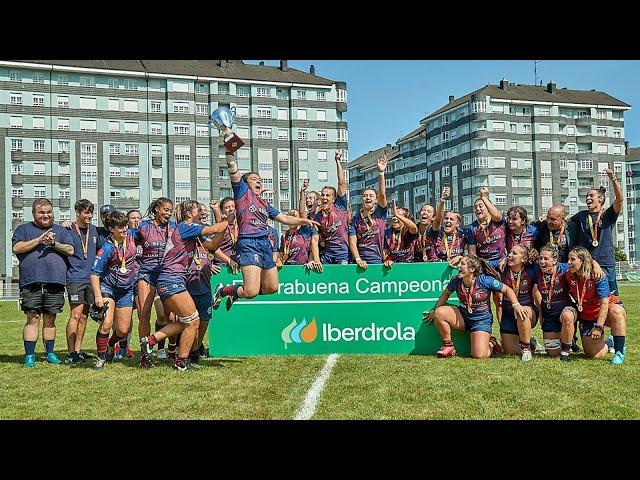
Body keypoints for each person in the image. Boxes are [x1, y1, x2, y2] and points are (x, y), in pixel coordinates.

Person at [213, 145, 321, 312]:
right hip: (249, 243)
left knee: (272, 288)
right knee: (251, 291)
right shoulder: (242, 194)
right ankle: (223, 290)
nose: (259, 180)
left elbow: (284, 218)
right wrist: (229, 153)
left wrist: (305, 221)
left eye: (259, 179)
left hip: (265, 244)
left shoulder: (264, 203)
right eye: (254, 178)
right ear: (245, 184)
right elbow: (233, 170)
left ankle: (237, 293)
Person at [140, 200, 230, 371]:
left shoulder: (192, 230)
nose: (202, 214)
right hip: (171, 279)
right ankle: (181, 361)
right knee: (193, 321)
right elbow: (214, 229)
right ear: (189, 214)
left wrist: (223, 226)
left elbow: (212, 245)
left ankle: (150, 341)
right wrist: (229, 219)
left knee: (187, 321)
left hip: (173, 280)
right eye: (199, 211)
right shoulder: (186, 226)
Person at [423, 255, 524, 359]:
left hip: (481, 320)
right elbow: (445, 294)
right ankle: (448, 346)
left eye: (462, 264)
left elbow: (508, 290)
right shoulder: (456, 281)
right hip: (463, 317)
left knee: (479, 355)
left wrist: (516, 305)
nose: (459, 267)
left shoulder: (485, 280)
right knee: (439, 313)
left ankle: (492, 343)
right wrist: (434, 310)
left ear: (472, 269)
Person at [12, 199, 74, 367]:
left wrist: (53, 243)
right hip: (31, 281)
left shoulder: (61, 230)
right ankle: (30, 355)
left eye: (49, 212)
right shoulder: (23, 229)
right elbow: (17, 248)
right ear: (34, 214)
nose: (46, 215)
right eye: (42, 212)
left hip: (55, 281)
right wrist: (39, 240)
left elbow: (70, 250)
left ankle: (50, 353)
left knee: (50, 318)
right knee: (33, 318)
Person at [90, 211, 140, 370]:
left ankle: (111, 344)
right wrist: (98, 295)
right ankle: (101, 357)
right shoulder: (106, 248)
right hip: (108, 288)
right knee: (106, 323)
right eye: (120, 227)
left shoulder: (132, 236)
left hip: (126, 290)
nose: (125, 229)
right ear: (111, 229)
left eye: (126, 225)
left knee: (123, 330)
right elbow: (94, 273)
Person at [130, 198, 175, 368]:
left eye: (170, 210)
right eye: (165, 209)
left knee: (171, 317)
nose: (168, 213)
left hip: (166, 273)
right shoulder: (144, 226)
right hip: (147, 273)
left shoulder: (173, 227)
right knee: (144, 314)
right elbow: (127, 241)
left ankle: (171, 352)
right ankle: (145, 356)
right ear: (157, 209)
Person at [566, 247, 627, 365]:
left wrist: (598, 326)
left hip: (606, 310)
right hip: (588, 316)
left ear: (583, 261)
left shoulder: (598, 275)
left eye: (572, 259)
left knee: (617, 311)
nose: (569, 262)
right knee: (593, 355)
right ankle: (610, 342)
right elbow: (553, 266)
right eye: (568, 259)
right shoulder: (569, 273)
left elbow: (604, 303)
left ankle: (619, 351)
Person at [569, 167, 624, 295]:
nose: (588, 198)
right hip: (586, 262)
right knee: (589, 296)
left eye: (591, 195)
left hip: (605, 262)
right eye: (587, 195)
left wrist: (613, 179)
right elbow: (565, 220)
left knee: (610, 297)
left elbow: (620, 200)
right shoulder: (581, 215)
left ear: (600, 199)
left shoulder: (608, 214)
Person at [64, 199, 100, 365]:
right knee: (76, 315)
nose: (89, 216)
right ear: (77, 212)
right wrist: (62, 223)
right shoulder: (68, 229)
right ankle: (71, 353)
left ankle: (78, 350)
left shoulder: (95, 231)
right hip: (75, 278)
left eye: (91, 212)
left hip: (91, 279)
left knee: (84, 316)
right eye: (86, 212)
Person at [466, 187, 508, 322]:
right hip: (484, 265)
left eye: (481, 206)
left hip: (500, 263)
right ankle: (487, 333)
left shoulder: (498, 221)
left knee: (500, 300)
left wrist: (484, 197)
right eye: (475, 207)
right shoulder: (472, 228)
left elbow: (496, 214)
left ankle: (503, 330)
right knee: (483, 299)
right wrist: (477, 269)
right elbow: (472, 253)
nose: (477, 209)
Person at [311, 150, 354, 265]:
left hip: (343, 254)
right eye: (322, 195)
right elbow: (314, 240)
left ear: (334, 199)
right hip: (327, 255)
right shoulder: (317, 217)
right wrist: (316, 260)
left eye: (327, 195)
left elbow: (341, 183)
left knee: (344, 281)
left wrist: (337, 161)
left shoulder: (340, 206)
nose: (324, 197)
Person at [497, 244, 540, 361]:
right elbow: (480, 262)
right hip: (508, 313)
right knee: (510, 351)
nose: (510, 255)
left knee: (522, 311)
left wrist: (595, 264)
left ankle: (526, 349)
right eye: (509, 253)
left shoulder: (532, 270)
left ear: (523, 258)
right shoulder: (502, 268)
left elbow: (543, 260)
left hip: (528, 310)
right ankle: (531, 342)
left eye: (514, 253)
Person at [350, 154, 388, 268]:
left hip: (378, 261)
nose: (368, 198)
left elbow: (382, 194)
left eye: (371, 196)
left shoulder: (380, 214)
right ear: (362, 199)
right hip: (360, 263)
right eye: (365, 196)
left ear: (376, 200)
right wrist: (358, 259)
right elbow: (352, 242)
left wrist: (381, 173)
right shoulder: (355, 219)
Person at [427, 186, 467, 266]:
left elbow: (471, 255)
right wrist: (443, 200)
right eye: (446, 218)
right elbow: (437, 220)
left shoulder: (463, 234)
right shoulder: (437, 232)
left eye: (451, 219)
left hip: (457, 269)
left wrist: (460, 258)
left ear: (458, 223)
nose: (448, 221)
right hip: (436, 268)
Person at [383, 202, 418, 267]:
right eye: (393, 216)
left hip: (408, 266)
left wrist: (396, 214)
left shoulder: (408, 231)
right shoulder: (387, 232)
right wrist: (387, 260)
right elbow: (385, 251)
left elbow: (414, 228)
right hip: (393, 267)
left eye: (399, 216)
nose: (395, 218)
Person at [212, 197, 240, 274]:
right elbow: (213, 248)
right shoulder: (218, 227)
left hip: (239, 266)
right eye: (227, 207)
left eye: (233, 206)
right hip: (222, 267)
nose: (231, 209)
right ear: (222, 211)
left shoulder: (242, 225)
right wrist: (229, 260)